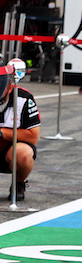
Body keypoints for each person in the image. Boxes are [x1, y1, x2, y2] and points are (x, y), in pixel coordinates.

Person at [0, 66, 40, 202]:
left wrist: (3, 133)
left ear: (10, 87)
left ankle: (18, 183)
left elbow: (33, 136)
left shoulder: (23, 98)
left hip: (9, 152)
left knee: (24, 154)